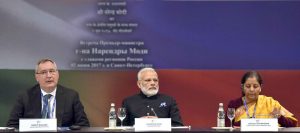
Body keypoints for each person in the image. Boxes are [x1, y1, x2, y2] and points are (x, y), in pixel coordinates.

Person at [7, 58, 90, 128]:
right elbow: (12, 125)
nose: (49, 76)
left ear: (57, 74)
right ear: (37, 77)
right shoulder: (24, 97)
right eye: (43, 72)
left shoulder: (71, 96)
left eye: (52, 71)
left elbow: (83, 125)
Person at [226, 71, 298, 127]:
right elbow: (226, 126)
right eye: (248, 86)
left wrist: (280, 117)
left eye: (255, 86)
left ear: (260, 87)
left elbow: (293, 123)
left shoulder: (270, 103)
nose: (251, 89)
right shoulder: (234, 104)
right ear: (242, 87)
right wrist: (248, 124)